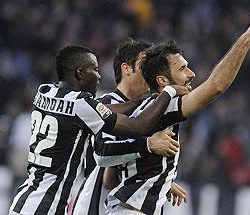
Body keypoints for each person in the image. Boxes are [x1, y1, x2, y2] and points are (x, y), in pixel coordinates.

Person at [96, 10, 250, 215]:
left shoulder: (142, 108)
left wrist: (161, 179)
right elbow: (216, 86)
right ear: (163, 81)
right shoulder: (164, 105)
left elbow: (109, 179)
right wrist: (246, 39)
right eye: (183, 69)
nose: (192, 74)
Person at [8, 45, 189, 215]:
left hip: (24, 201)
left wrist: (143, 102)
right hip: (47, 207)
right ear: (80, 73)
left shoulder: (44, 91)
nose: (99, 76)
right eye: (94, 70)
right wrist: (167, 94)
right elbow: (137, 127)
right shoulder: (81, 105)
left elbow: (98, 110)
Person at [72, 38, 184, 215]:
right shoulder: (104, 105)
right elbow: (107, 173)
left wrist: (162, 180)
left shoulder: (149, 110)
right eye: (144, 64)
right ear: (126, 69)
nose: (150, 70)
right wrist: (148, 145)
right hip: (94, 206)